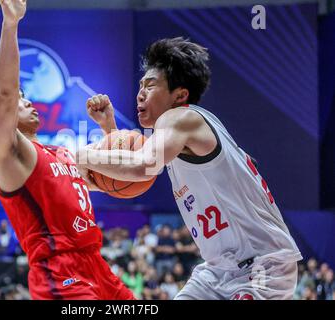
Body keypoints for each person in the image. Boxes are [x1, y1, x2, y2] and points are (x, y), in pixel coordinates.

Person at [78, 37, 302, 300]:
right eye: (140, 85)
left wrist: (79, 155)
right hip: (217, 272)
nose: (140, 93)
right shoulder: (178, 133)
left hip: (262, 267)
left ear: (180, 95)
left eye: (150, 86)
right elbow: (126, 171)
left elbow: (142, 166)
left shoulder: (180, 118)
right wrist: (110, 131)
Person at [0, 0, 133, 300]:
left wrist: (110, 129)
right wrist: (11, 23)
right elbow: (3, 93)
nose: (28, 101)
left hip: (98, 267)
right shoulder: (7, 155)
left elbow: (119, 181)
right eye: (20, 97)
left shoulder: (63, 153)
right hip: (59, 273)